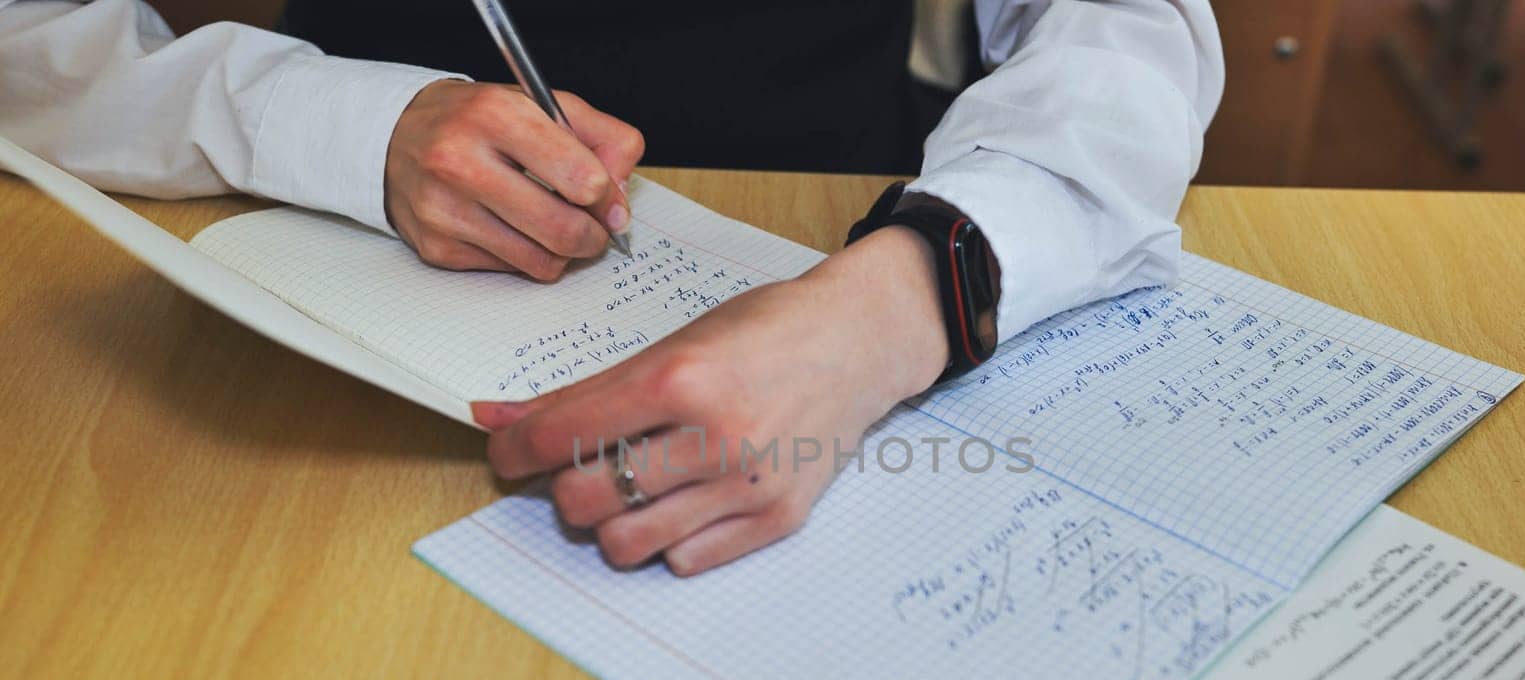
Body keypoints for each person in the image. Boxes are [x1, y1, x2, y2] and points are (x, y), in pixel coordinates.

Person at [0, 0, 1223, 574]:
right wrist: (341, 123)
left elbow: (1130, 24)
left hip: (844, 201)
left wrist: (908, 296)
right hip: (328, 281)